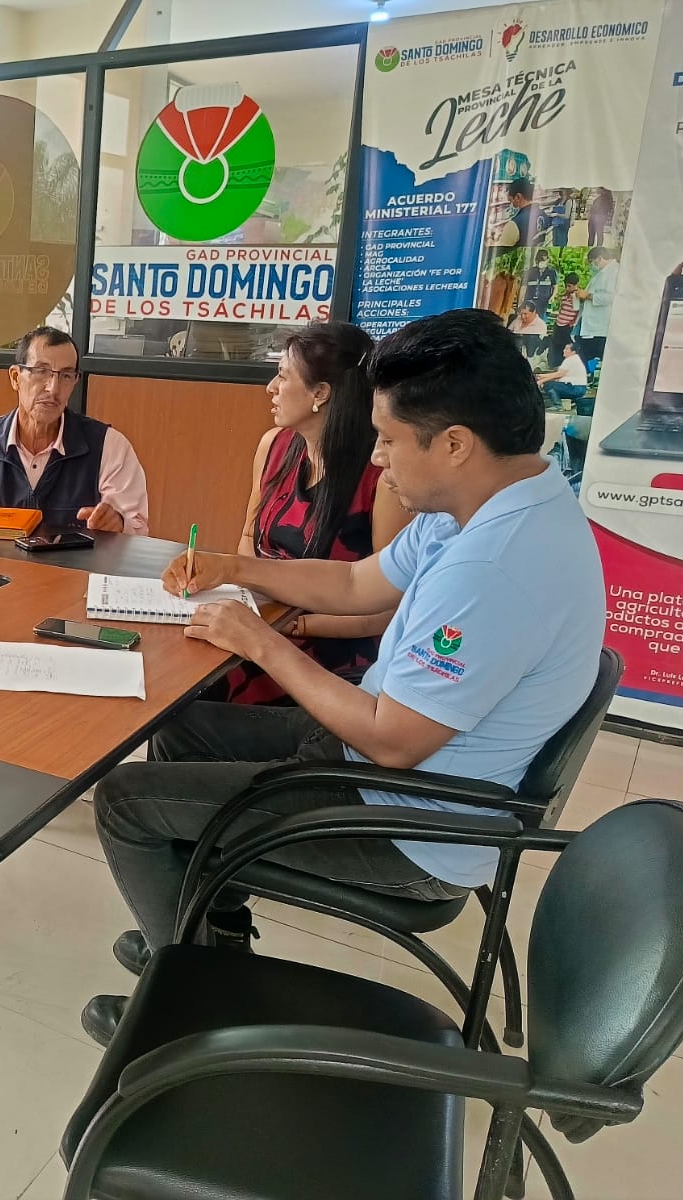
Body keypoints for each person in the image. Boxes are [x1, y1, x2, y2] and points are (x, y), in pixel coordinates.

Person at [81, 309, 604, 1046]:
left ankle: (197, 1015)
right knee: (180, 729)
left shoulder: (495, 566)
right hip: (383, 761)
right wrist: (236, 568)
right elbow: (359, 583)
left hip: (410, 819)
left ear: (455, 443)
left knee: (126, 802)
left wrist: (263, 642)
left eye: (388, 439)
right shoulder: (484, 501)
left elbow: (393, 742)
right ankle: (204, 939)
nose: (378, 459)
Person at [217, 320, 410, 706]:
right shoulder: (274, 446)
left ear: (320, 393)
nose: (271, 388)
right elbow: (248, 539)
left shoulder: (382, 476)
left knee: (203, 696)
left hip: (330, 662)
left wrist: (291, 626)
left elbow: (390, 605)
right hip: (265, 629)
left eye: (283, 376)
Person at [0, 326, 149, 533]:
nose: (53, 388)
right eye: (41, 372)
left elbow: (138, 529)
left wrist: (119, 524)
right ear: (15, 377)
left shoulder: (108, 445)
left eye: (66, 375)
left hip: (78, 556)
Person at [575, 247, 618, 365]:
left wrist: (588, 296)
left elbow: (612, 297)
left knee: (596, 357)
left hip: (601, 326)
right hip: (592, 325)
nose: (591, 266)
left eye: (591, 262)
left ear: (599, 258)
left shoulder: (614, 272)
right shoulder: (601, 273)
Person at [536, 342, 590, 411]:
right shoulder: (575, 359)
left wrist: (542, 380)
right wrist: (542, 376)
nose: (564, 350)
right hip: (580, 389)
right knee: (550, 383)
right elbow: (558, 374)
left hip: (575, 389)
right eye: (564, 348)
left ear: (573, 352)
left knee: (548, 385)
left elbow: (559, 375)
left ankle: (557, 405)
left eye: (567, 349)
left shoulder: (570, 360)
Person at [547, 272, 581, 369]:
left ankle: (564, 365)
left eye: (569, 286)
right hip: (559, 323)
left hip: (567, 325)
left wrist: (573, 322)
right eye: (566, 286)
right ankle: (554, 364)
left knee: (565, 346)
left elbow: (577, 310)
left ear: (575, 285)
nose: (567, 288)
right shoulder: (565, 295)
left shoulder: (576, 296)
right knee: (555, 345)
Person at [497, 177, 541, 247]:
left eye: (511, 201)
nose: (511, 205)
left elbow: (501, 249)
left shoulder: (515, 224)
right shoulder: (542, 213)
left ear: (518, 197)